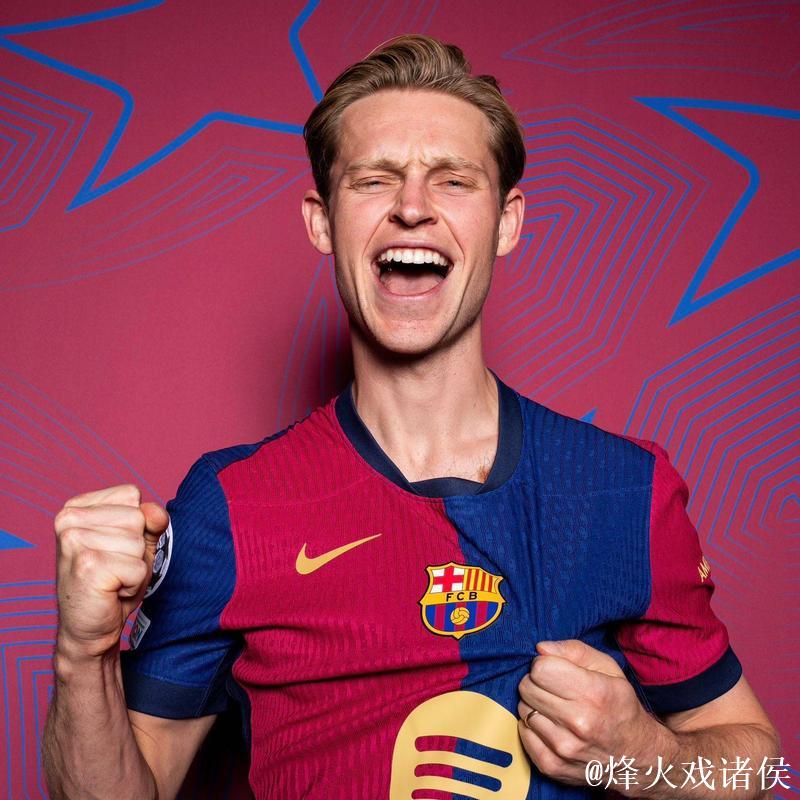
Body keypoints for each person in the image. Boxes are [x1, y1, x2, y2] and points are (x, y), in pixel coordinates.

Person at [43, 35, 779, 800]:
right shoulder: (229, 507)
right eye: (375, 180)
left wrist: (641, 751)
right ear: (322, 221)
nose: (413, 207)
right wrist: (82, 654)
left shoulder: (625, 490)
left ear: (507, 222)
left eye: (453, 180)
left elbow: (760, 764)